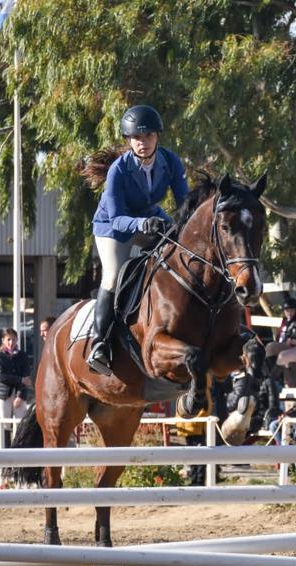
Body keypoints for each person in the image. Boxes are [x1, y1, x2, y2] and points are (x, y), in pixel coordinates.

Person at [86, 105, 189, 375]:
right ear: (129, 140)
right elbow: (119, 218)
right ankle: (100, 343)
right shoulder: (118, 171)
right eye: (137, 138)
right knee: (112, 276)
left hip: (150, 217)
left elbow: (185, 205)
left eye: (148, 137)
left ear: (158, 137)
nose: (143, 143)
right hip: (113, 228)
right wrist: (144, 224)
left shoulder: (170, 161)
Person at [0, 328, 33, 432]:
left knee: (21, 424)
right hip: (3, 394)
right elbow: (1, 377)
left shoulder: (22, 355)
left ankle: (18, 447)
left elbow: (26, 377)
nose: (11, 342)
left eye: (14, 340)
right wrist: (20, 380)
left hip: (18, 393)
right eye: (8, 339)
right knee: (5, 425)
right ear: (3, 340)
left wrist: (20, 396)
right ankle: (5, 446)